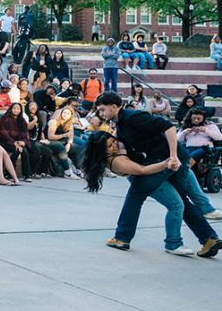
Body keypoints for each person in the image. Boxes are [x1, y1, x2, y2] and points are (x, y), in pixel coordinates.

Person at [93, 91, 220, 256]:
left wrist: (173, 155)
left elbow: (168, 127)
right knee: (180, 200)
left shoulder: (133, 117)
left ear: (114, 107)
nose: (101, 113)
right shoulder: (121, 125)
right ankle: (209, 238)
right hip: (167, 159)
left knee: (136, 194)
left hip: (166, 160)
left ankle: (122, 238)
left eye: (102, 109)